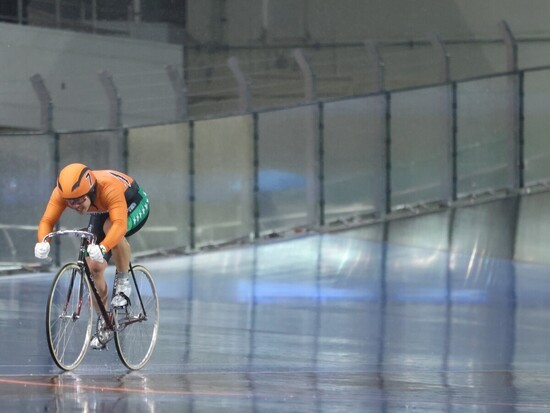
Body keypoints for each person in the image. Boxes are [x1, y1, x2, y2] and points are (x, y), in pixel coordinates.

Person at [34, 163, 150, 349]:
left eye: (80, 201)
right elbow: (47, 221)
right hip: (102, 208)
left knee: (110, 228)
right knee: (93, 267)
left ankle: (123, 282)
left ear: (91, 190)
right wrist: (43, 242)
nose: (77, 206)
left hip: (133, 202)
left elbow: (119, 225)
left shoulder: (107, 188)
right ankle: (105, 320)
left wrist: (103, 247)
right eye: (71, 203)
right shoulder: (63, 193)